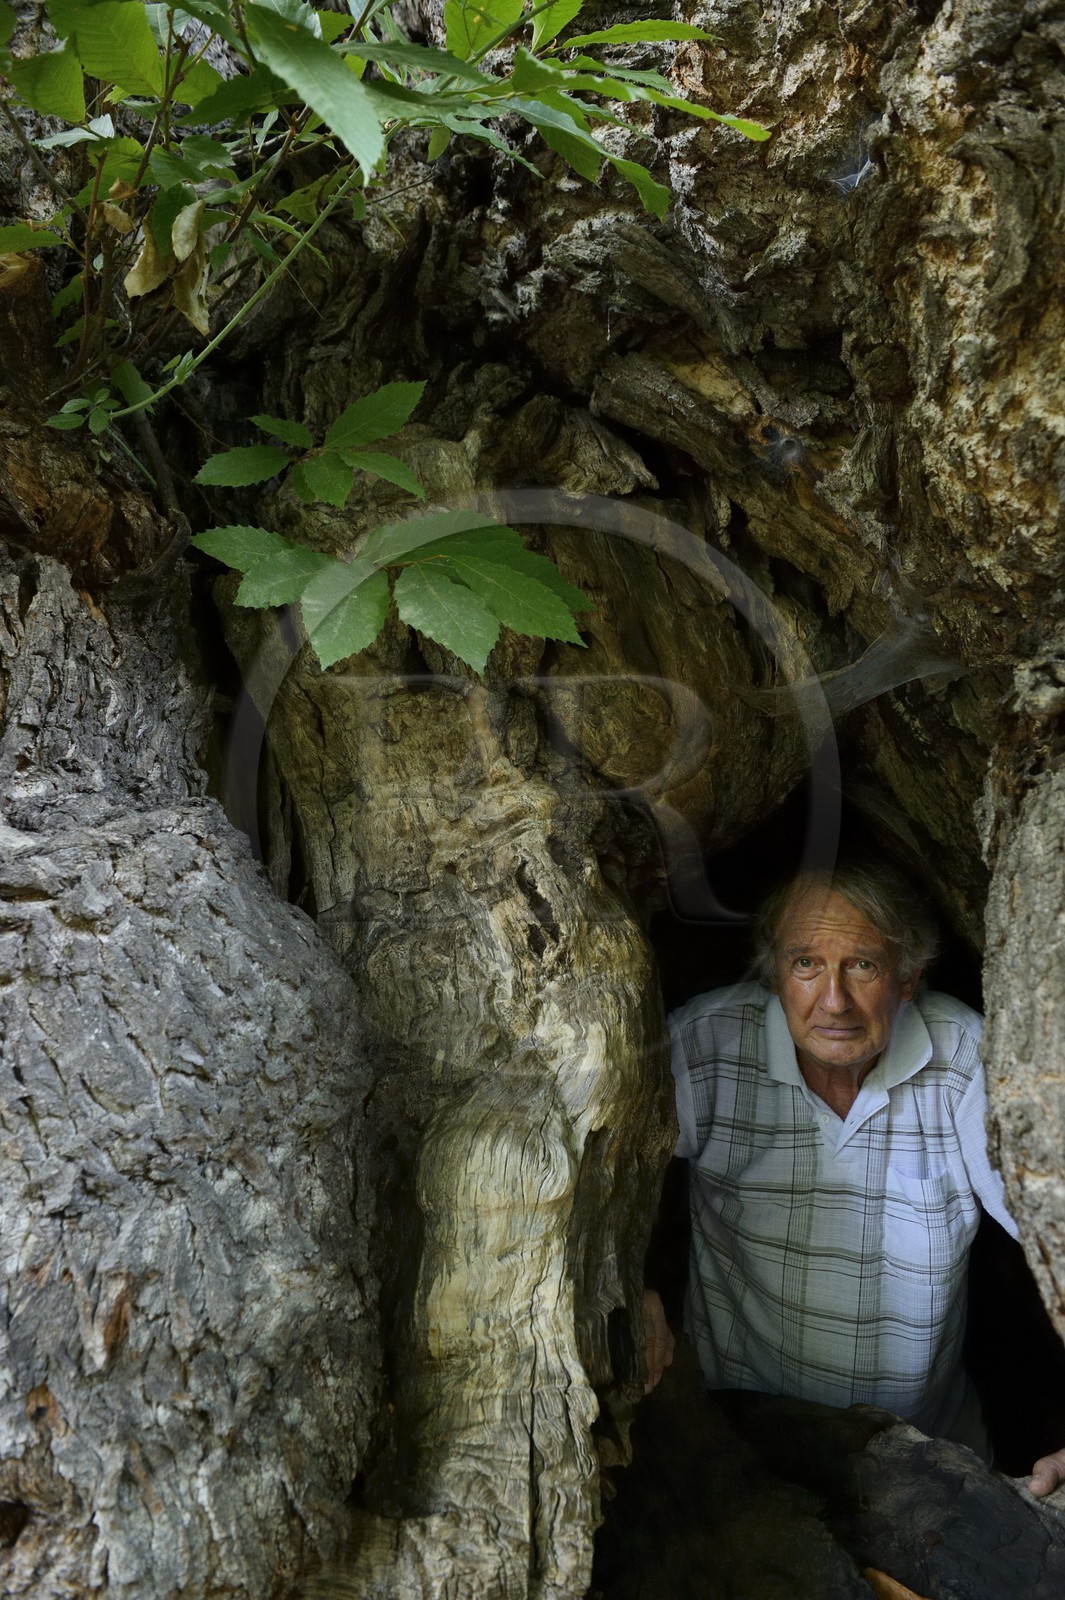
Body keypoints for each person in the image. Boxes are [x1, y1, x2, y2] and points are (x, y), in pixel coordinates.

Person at [642, 861, 1065, 1497]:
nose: (833, 1000)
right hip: (749, 1453)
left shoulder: (961, 1058)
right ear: (774, 973)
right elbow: (596, 1180)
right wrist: (626, 1288)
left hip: (934, 1462)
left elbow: (1058, 1230)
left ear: (908, 977)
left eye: (862, 965)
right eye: (806, 963)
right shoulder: (707, 1047)